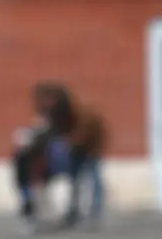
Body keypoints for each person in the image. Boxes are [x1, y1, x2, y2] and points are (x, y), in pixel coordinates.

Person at [34, 83, 107, 228]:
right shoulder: (56, 115)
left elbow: (83, 133)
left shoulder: (81, 115)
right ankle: (73, 212)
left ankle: (95, 213)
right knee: (74, 180)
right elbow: (51, 132)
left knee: (94, 178)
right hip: (76, 151)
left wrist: (68, 143)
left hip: (90, 147)